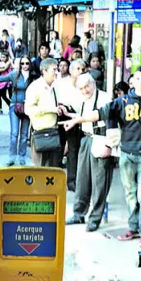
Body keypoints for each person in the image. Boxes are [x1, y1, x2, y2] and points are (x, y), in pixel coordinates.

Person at [63, 67, 141, 244]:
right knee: (130, 194)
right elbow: (101, 113)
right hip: (127, 153)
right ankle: (133, 228)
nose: (140, 83)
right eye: (137, 79)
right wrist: (77, 120)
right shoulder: (123, 101)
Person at [67, 73, 113, 232]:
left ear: (93, 84)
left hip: (101, 139)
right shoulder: (82, 99)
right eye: (81, 88)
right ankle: (78, 213)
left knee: (100, 182)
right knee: (82, 179)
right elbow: (82, 117)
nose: (85, 90)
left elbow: (112, 123)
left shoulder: (105, 99)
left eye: (87, 86)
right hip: (86, 139)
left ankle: (95, 218)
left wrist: (109, 144)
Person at [56, 59, 88, 191]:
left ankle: (72, 180)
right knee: (59, 147)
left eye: (82, 69)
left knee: (74, 149)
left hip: (78, 117)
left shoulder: (86, 84)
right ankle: (55, 178)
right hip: (62, 115)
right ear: (71, 70)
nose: (80, 71)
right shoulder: (62, 83)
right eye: (78, 69)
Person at [25, 58, 62, 167]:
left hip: (54, 132)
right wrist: (51, 109)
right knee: (39, 171)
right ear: (44, 71)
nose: (56, 72)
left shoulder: (57, 86)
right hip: (40, 134)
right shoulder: (34, 87)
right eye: (54, 70)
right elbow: (28, 109)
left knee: (53, 171)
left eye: (57, 69)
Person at [0, 49, 12, 114]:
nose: (2, 58)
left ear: (7, 57)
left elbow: (4, 69)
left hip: (6, 80)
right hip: (0, 80)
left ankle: (11, 107)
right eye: (1, 57)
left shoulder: (8, 62)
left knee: (3, 96)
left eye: (4, 57)